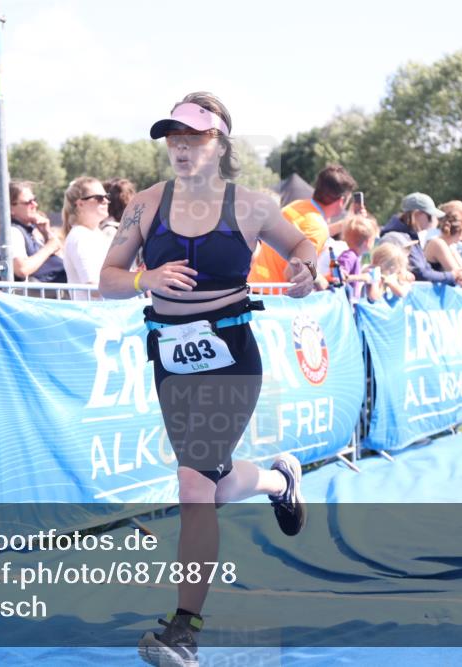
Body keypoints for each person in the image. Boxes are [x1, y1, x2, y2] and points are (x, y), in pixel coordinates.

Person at [97, 92, 316, 667]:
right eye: (173, 138)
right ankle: (277, 482)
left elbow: (303, 246)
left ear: (218, 142)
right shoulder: (145, 206)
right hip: (170, 359)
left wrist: (305, 268)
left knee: (194, 485)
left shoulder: (252, 205)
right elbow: (108, 279)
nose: (180, 148)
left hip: (230, 354)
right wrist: (148, 276)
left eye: (192, 137)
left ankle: (184, 632)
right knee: (210, 486)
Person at [248, 163, 355, 289]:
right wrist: (323, 281)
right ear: (342, 201)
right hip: (276, 299)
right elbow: (293, 272)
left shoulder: (296, 206)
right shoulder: (317, 227)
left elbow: (303, 233)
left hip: (256, 287)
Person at [380, 193, 462, 286]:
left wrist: (452, 275)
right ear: (417, 214)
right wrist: (451, 276)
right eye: (430, 216)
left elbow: (426, 269)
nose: (434, 220)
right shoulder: (394, 238)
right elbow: (420, 273)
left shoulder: (409, 237)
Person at [61, 177, 111, 300]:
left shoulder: (94, 234)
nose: (106, 201)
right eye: (99, 198)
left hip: (106, 313)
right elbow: (93, 289)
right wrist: (134, 284)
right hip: (95, 316)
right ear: (80, 203)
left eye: (106, 196)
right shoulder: (80, 237)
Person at [8, 181, 67, 284]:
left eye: (34, 200)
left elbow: (58, 253)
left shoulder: (29, 231)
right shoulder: (13, 232)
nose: (35, 205)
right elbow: (22, 269)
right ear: (11, 208)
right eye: (28, 202)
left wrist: (46, 234)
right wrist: (49, 247)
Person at [337, 213, 378, 299]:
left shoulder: (354, 256)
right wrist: (363, 277)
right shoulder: (349, 256)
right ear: (368, 241)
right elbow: (339, 276)